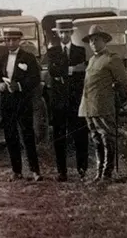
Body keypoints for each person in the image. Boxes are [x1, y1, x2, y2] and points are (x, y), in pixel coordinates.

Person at [77, 24, 127, 182]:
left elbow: (123, 82)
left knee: (107, 138)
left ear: (104, 40)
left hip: (104, 106)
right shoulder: (92, 60)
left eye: (96, 39)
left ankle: (107, 173)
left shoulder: (112, 58)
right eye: (91, 40)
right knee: (96, 139)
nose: (93, 43)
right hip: (89, 107)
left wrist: (117, 99)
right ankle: (98, 173)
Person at [0, 27, 43, 181]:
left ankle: (35, 171)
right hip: (7, 102)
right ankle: (17, 171)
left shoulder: (28, 57)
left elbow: (35, 78)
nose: (10, 43)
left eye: (14, 40)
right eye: (7, 40)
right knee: (10, 136)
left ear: (19, 41)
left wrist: (20, 85)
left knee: (27, 135)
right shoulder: (2, 58)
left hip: (22, 101)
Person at [43, 19, 89, 181]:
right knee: (59, 136)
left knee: (80, 135)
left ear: (71, 33)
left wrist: (63, 72)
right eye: (61, 32)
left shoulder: (80, 51)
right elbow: (52, 71)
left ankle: (82, 169)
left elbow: (82, 72)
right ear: (57, 34)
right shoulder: (52, 52)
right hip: (58, 102)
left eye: (67, 32)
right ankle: (62, 171)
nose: (64, 35)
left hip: (76, 101)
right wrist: (72, 69)